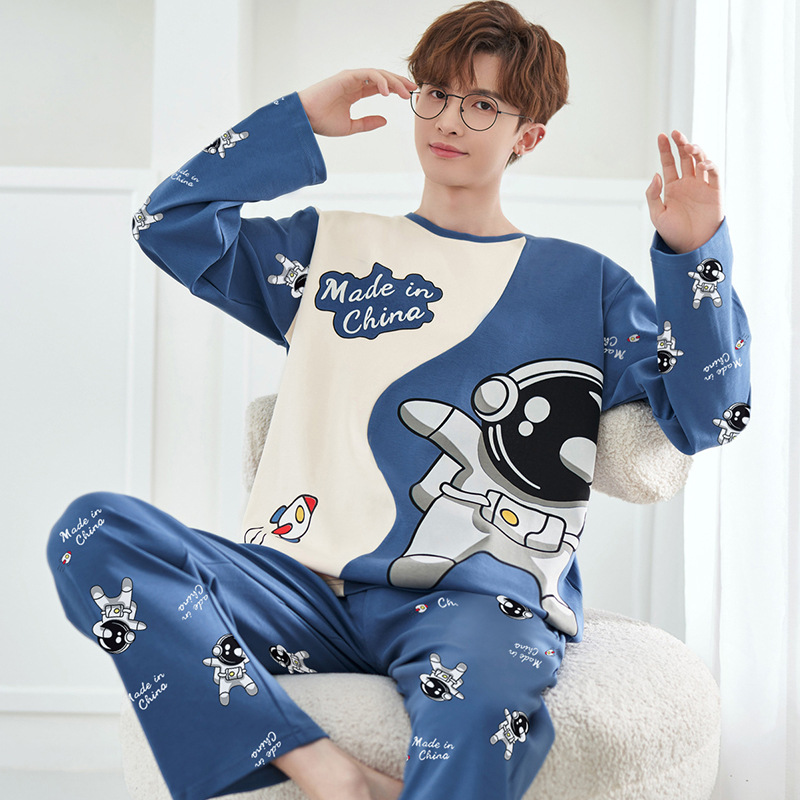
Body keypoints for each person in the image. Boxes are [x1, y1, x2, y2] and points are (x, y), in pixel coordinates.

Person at [48, 2, 751, 799]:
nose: (449, 119)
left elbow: (708, 417)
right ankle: (326, 770)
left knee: (483, 709)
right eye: (437, 94)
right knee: (92, 532)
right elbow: (166, 224)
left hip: (476, 598)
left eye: (482, 104)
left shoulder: (584, 285)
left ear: (527, 137)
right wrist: (298, 120)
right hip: (300, 590)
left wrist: (696, 253)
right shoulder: (326, 248)